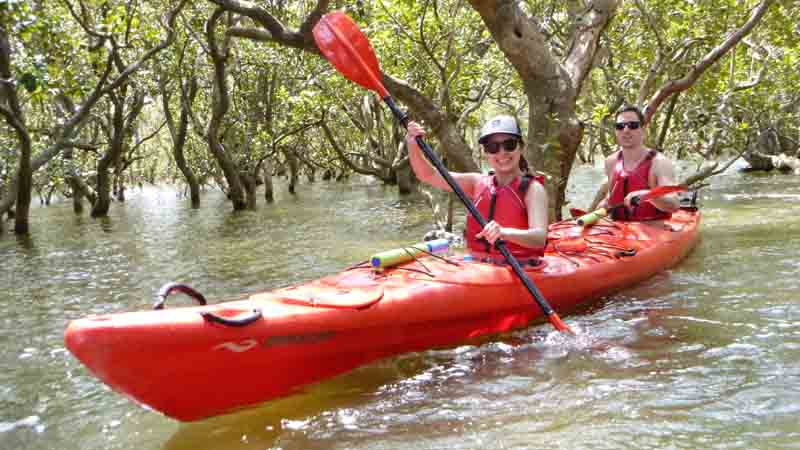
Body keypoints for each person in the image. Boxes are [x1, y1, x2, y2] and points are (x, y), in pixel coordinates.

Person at [405, 115, 548, 263]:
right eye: (492, 147)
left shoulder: (533, 189)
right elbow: (427, 175)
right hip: (476, 264)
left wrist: (504, 232)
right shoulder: (477, 182)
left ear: (521, 147)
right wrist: (412, 144)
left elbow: (539, 238)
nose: (501, 152)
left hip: (520, 267)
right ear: (486, 153)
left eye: (509, 144)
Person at [598, 105, 679, 220]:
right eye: (620, 126)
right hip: (618, 230)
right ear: (616, 131)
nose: (626, 130)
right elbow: (611, 198)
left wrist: (648, 195)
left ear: (643, 129)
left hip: (652, 229)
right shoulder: (610, 162)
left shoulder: (660, 162)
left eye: (633, 125)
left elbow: (674, 204)